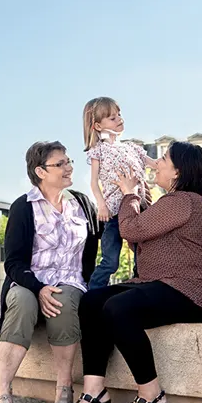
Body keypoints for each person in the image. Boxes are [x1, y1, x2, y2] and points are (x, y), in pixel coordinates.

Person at [65, 141, 202, 403]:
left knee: (120, 308)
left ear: (177, 172)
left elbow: (131, 230)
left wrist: (129, 194)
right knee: (93, 301)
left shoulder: (183, 201)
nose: (156, 163)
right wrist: (138, 199)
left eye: (164, 159)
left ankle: (152, 396)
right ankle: (94, 392)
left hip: (200, 291)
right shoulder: (173, 203)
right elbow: (140, 237)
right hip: (171, 283)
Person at [0, 141, 103, 403]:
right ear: (40, 171)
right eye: (60, 164)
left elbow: (98, 242)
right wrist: (38, 288)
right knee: (22, 301)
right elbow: (13, 262)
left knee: (63, 300)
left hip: (71, 282)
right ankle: (2, 390)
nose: (69, 168)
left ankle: (64, 387)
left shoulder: (82, 204)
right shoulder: (23, 207)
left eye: (69, 162)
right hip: (29, 281)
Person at [83, 97, 154, 289]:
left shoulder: (131, 148)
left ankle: (140, 287)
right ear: (98, 126)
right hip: (114, 212)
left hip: (137, 210)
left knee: (142, 256)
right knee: (110, 261)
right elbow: (94, 182)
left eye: (119, 115)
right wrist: (101, 205)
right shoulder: (98, 150)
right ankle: (92, 293)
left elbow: (154, 164)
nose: (119, 119)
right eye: (112, 118)